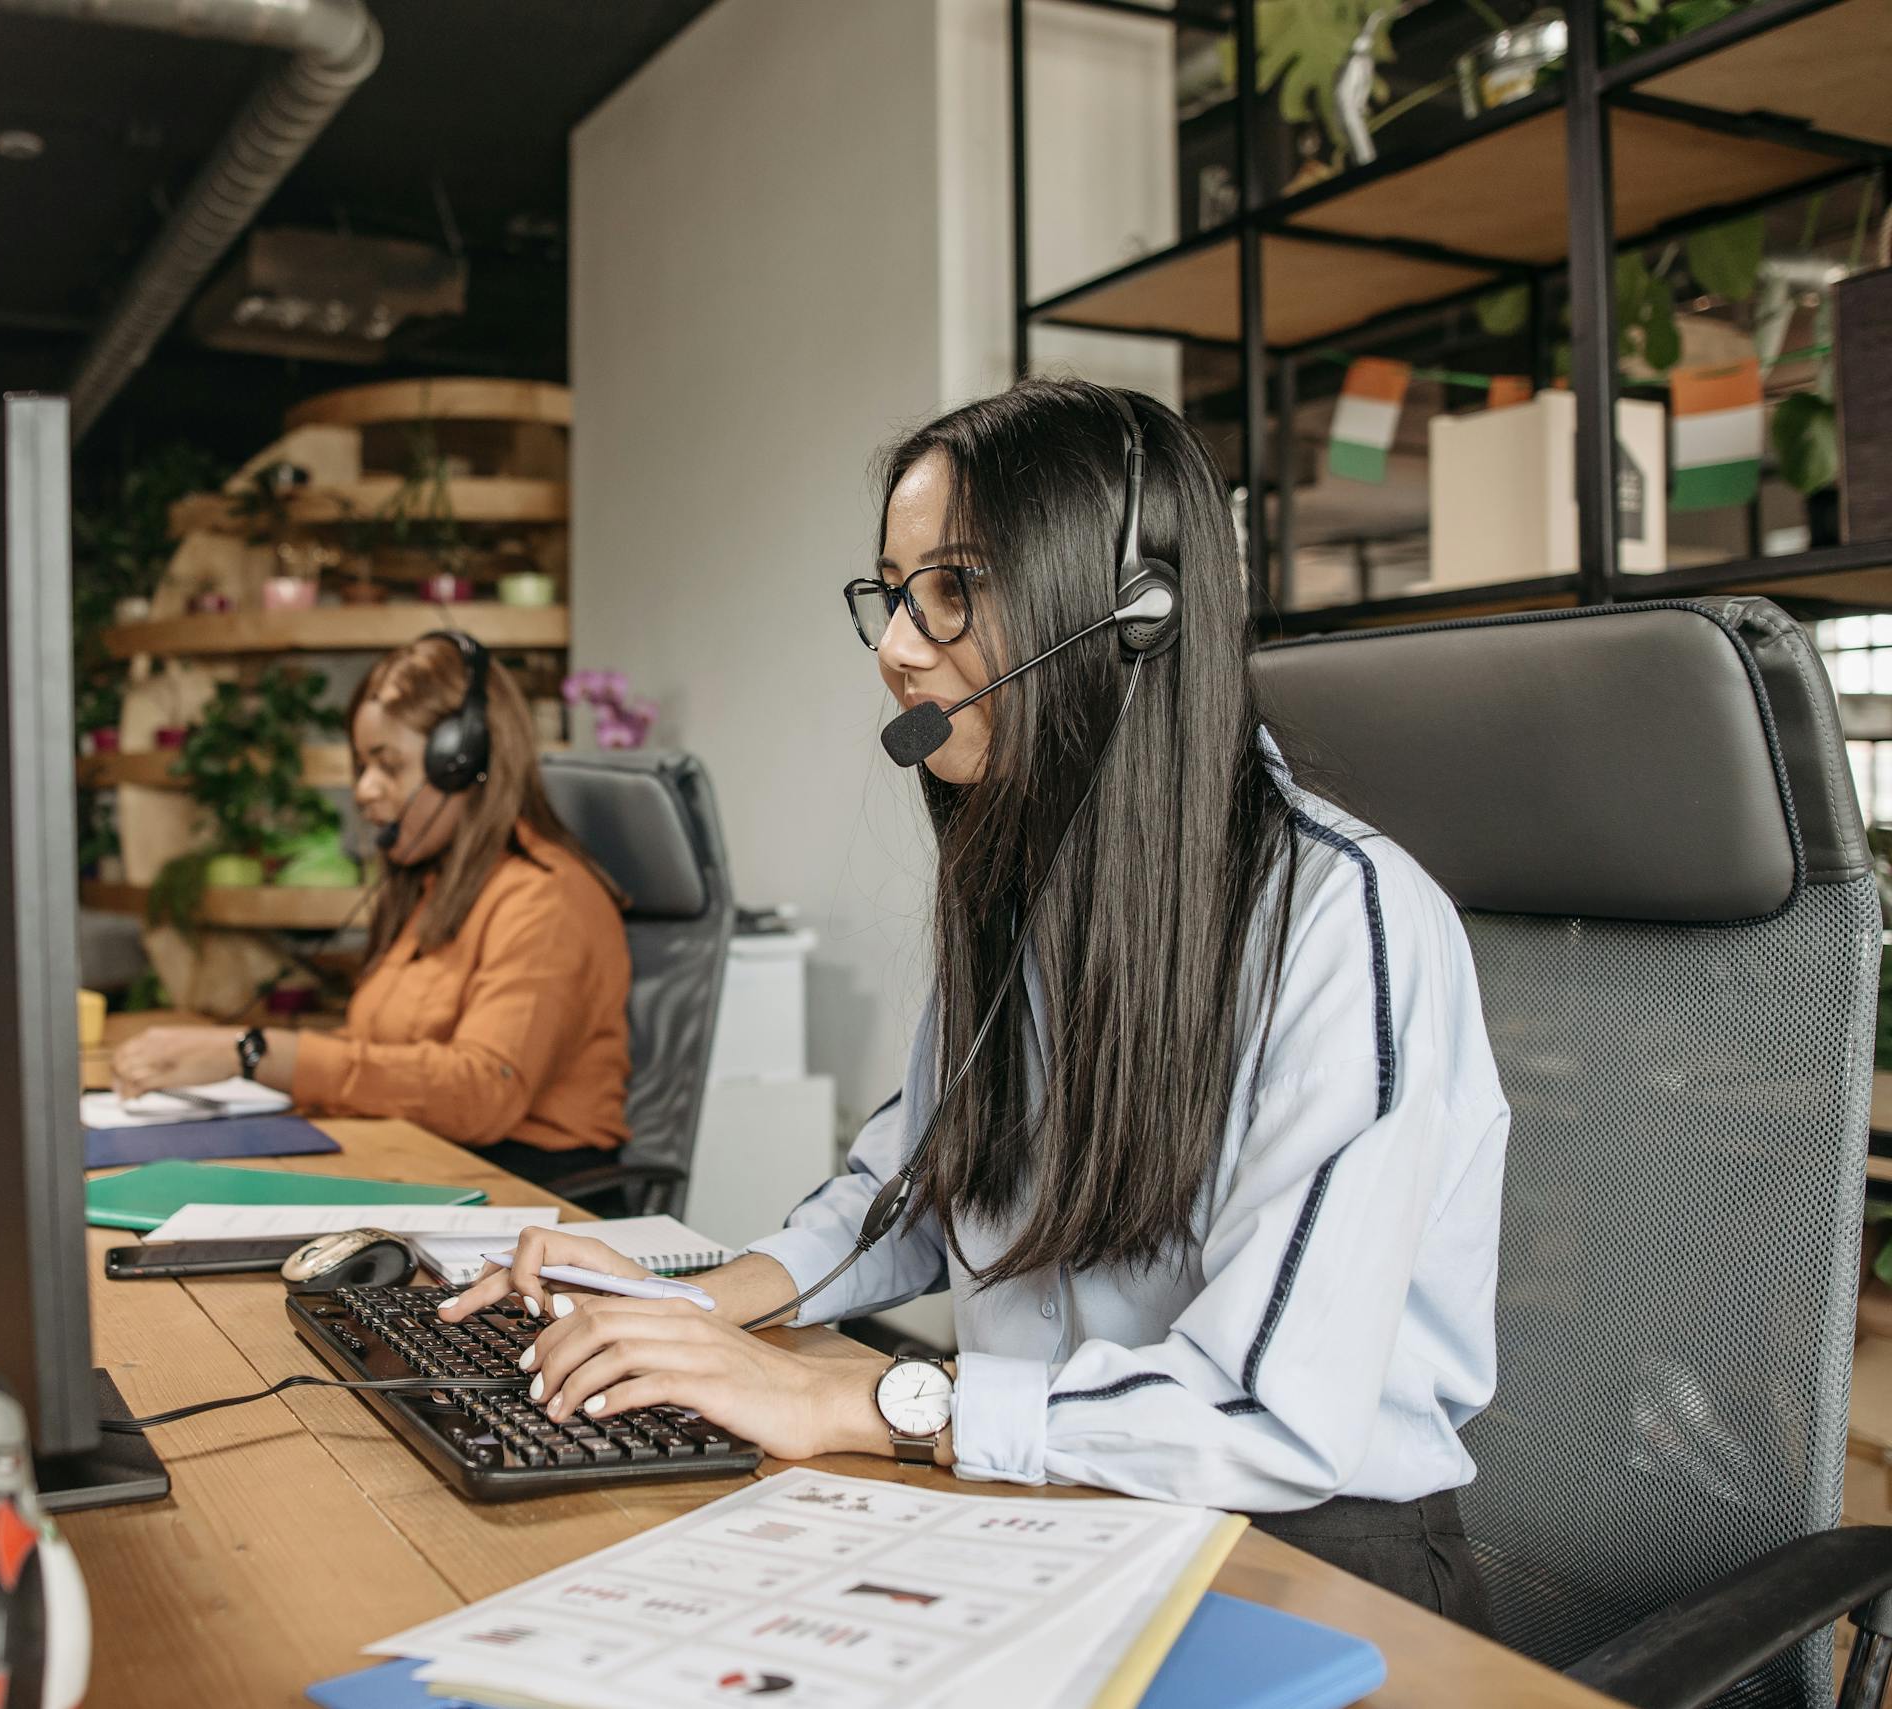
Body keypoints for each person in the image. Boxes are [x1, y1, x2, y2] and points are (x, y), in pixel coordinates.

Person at [441, 379, 1508, 1627]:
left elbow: (1273, 1410)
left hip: (1303, 1568)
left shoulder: (1346, 923)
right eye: (890, 596)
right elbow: (916, 1183)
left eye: (947, 592)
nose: (896, 645)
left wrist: (864, 1400)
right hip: (1055, 1509)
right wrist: (700, 1295)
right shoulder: (1025, 883)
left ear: (1132, 615)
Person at [110, 633, 634, 1188]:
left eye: (387, 765)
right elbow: (384, 1057)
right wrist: (246, 1056)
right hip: (420, 1162)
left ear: (462, 763)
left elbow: (483, 1093)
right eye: (361, 765)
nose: (364, 790)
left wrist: (253, 1052)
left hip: (524, 1193)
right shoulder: (435, 890)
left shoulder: (547, 899)